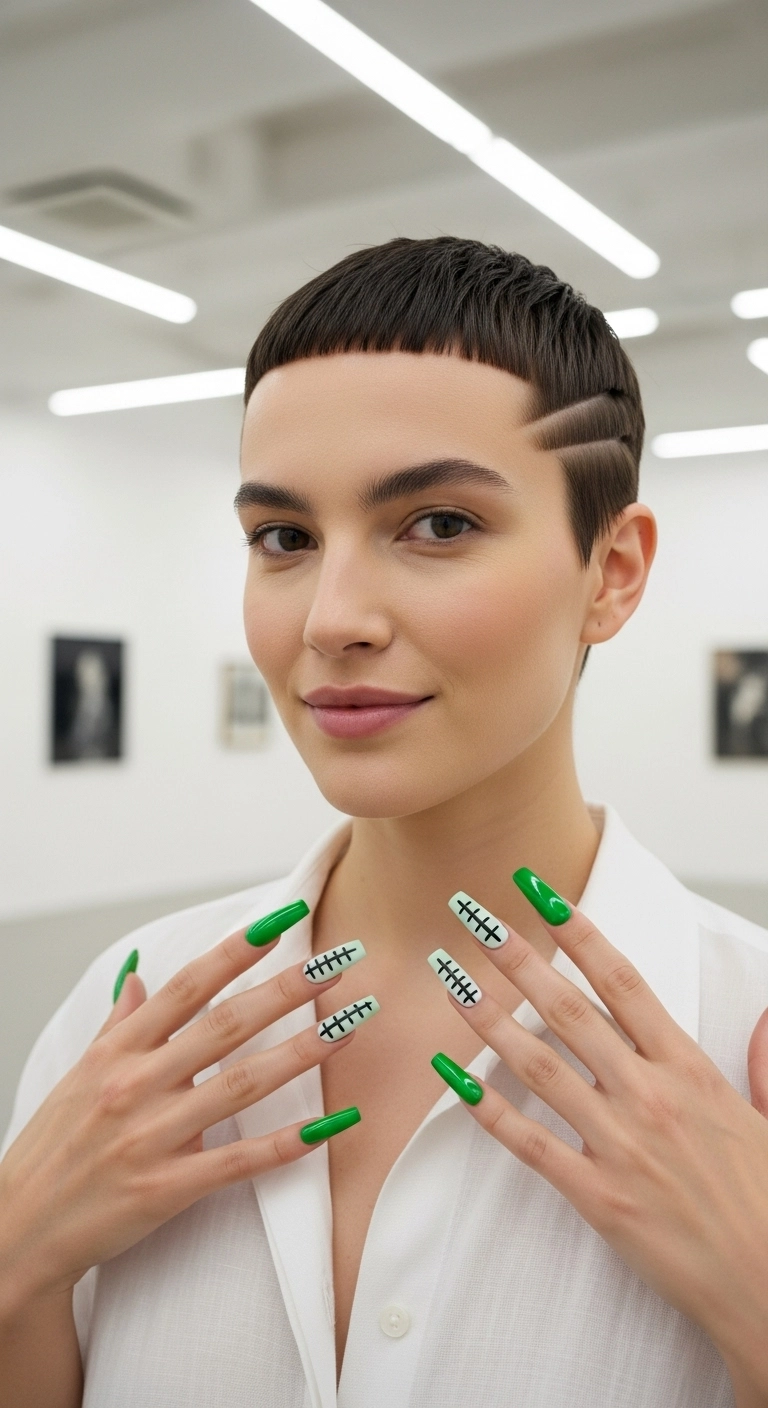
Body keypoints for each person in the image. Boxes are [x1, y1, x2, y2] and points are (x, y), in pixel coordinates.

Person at [2, 237, 768, 1408]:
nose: (332, 617)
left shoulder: (742, 1037)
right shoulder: (134, 1013)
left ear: (610, 572)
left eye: (440, 524)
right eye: (285, 539)